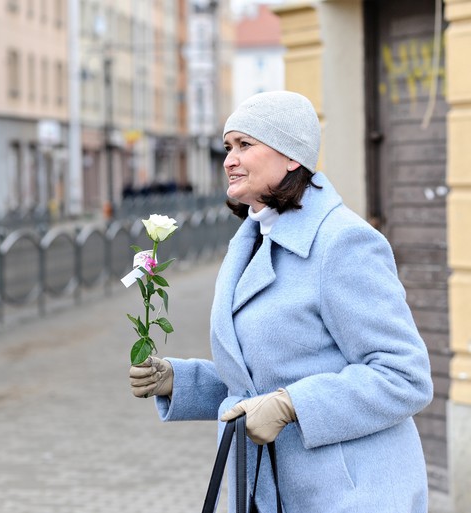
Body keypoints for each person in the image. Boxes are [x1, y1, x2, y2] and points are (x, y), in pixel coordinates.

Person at [129, 91, 433, 512]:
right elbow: (261, 382)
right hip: (273, 490)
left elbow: (405, 376)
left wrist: (294, 405)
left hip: (349, 493)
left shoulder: (343, 242)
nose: (229, 160)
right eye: (228, 147)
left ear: (292, 157)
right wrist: (181, 382)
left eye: (245, 145)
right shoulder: (252, 240)